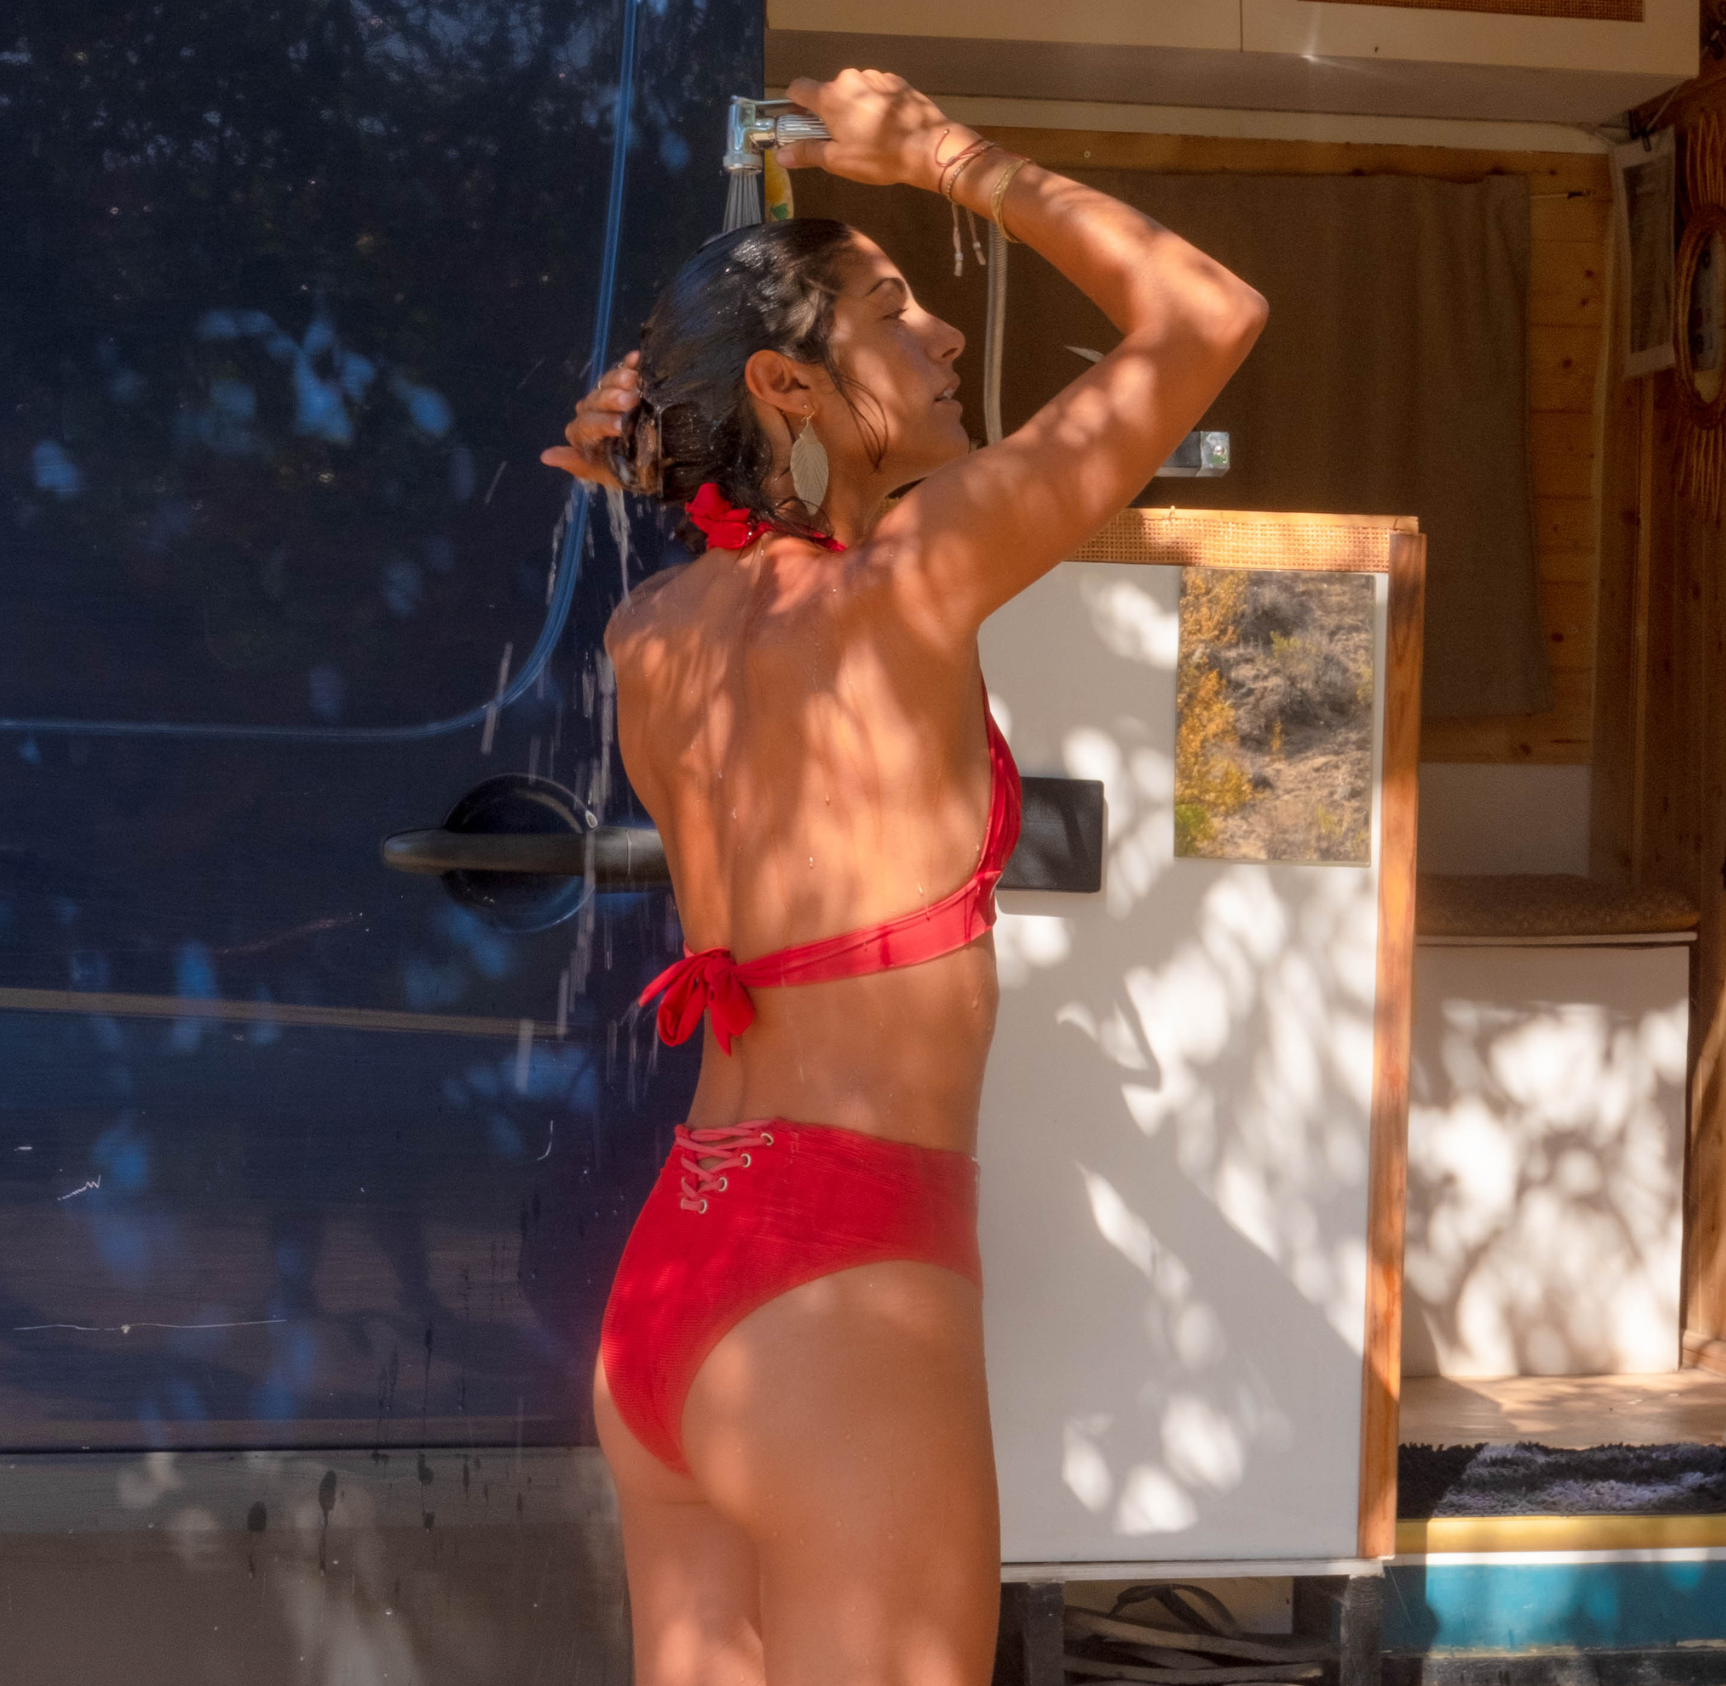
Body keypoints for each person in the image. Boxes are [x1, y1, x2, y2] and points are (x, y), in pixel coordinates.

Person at [540, 68, 1266, 1686]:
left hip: (673, 1280)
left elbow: (734, 521)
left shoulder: (650, 632)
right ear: (793, 385)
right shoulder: (909, 581)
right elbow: (1205, 313)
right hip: (836, 1292)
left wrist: (674, 452)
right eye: (894, 311)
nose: (943, 338)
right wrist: (948, 156)